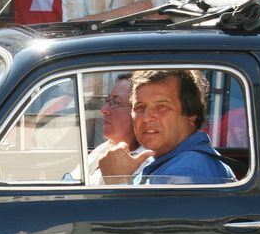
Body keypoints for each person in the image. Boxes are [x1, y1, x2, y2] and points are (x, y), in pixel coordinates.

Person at [98, 68, 233, 184]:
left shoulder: (186, 172)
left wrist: (118, 181)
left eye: (162, 107)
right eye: (139, 107)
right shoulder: (170, 162)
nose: (146, 117)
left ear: (191, 115)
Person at [87, 73, 149, 184]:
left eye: (115, 103)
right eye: (107, 101)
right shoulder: (105, 147)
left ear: (137, 112)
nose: (104, 109)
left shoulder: (145, 163)